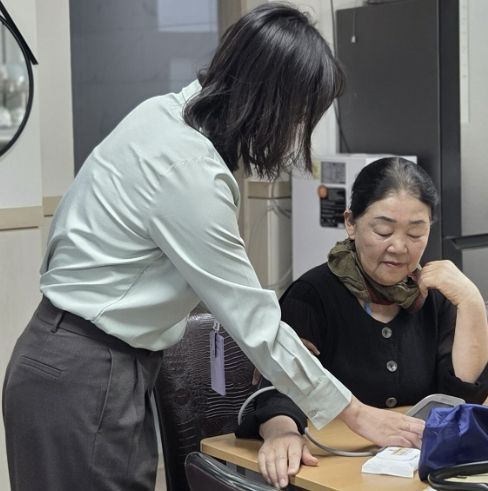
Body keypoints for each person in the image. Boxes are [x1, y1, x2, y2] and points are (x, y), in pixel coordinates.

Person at [1, 5, 423, 490]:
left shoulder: (162, 114)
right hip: (87, 370)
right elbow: (255, 324)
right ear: (270, 103)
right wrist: (357, 414)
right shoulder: (188, 171)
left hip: (82, 358)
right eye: (298, 117)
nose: (294, 135)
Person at [236, 157, 488, 489]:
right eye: (383, 231)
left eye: (416, 232)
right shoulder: (312, 296)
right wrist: (282, 432)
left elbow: (463, 398)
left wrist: (471, 301)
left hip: (416, 473)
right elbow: (278, 390)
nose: (399, 247)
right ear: (351, 223)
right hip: (334, 475)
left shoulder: (433, 295)